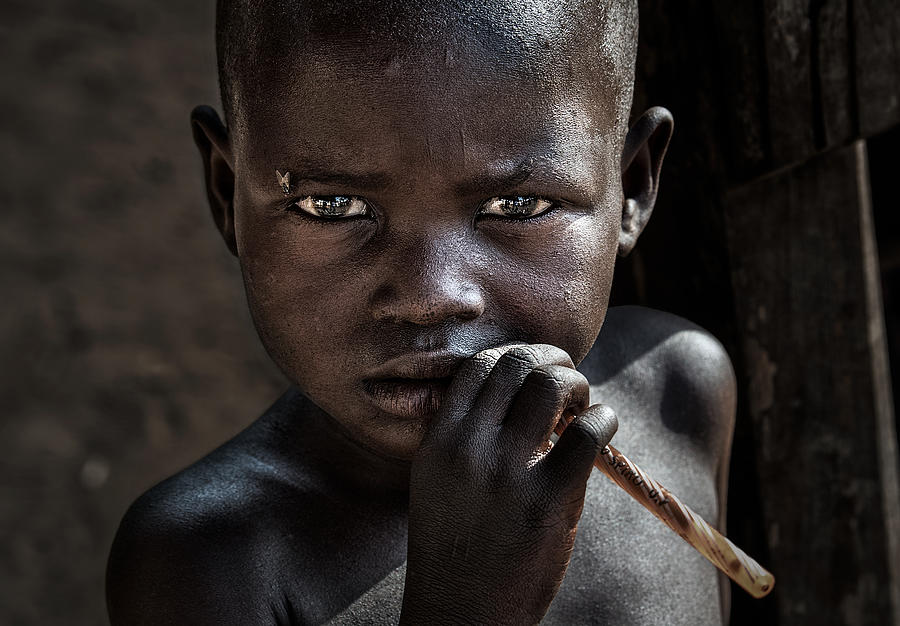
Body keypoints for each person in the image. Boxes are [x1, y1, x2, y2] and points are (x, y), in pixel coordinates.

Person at [106, 0, 736, 623]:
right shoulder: (205, 565)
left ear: (632, 186)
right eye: (333, 207)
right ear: (227, 192)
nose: (430, 296)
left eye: (518, 205)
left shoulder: (678, 392)